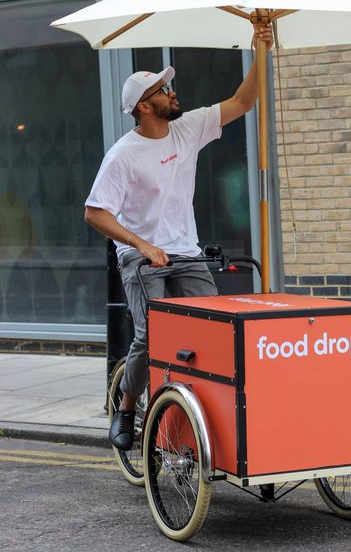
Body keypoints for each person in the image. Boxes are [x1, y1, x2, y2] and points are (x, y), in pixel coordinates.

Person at [84, 24, 273, 450]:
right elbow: (95, 213)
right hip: (140, 258)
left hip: (185, 252)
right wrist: (141, 244)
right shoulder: (122, 156)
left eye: (170, 88)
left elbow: (244, 100)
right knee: (150, 335)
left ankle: (198, 414)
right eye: (163, 92)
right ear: (144, 107)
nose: (173, 94)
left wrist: (261, 46)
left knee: (212, 329)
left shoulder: (188, 128)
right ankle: (128, 406)